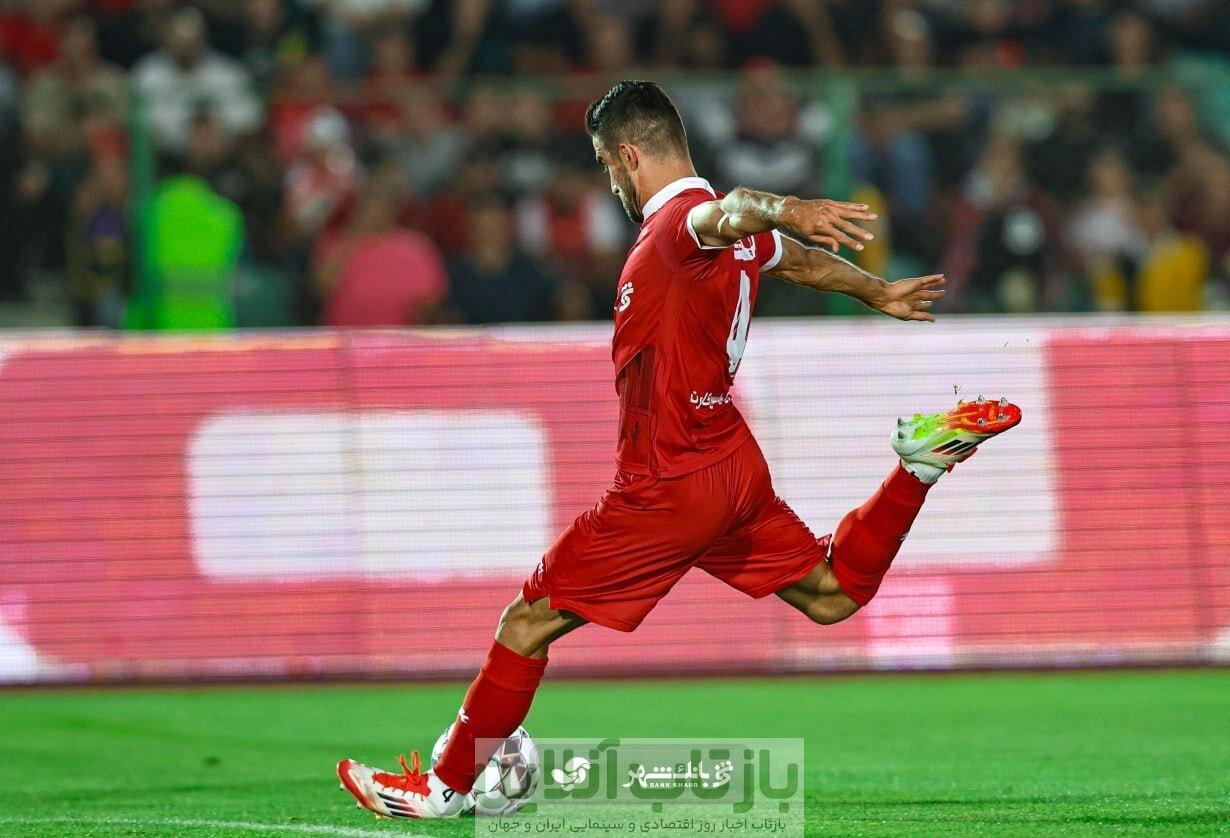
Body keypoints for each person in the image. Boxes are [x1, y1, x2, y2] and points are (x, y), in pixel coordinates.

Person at [336, 81, 1022, 819]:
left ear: (629, 155)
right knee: (831, 593)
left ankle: (443, 788)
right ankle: (918, 467)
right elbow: (797, 262)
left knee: (526, 623)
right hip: (727, 462)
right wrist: (875, 291)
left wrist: (790, 206)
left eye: (607, 164)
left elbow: (734, 210)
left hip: (667, 479)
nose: (610, 181)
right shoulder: (729, 240)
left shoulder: (680, 225)